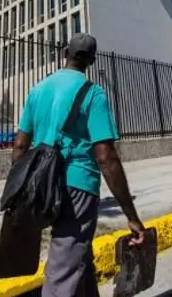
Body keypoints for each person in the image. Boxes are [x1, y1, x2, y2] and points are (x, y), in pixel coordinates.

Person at [12, 33, 145, 296]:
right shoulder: (93, 94)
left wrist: (20, 190)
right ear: (92, 61)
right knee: (63, 274)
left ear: (65, 53)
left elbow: (19, 145)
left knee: (79, 259)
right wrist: (131, 215)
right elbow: (106, 156)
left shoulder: (37, 90)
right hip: (77, 187)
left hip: (41, 188)